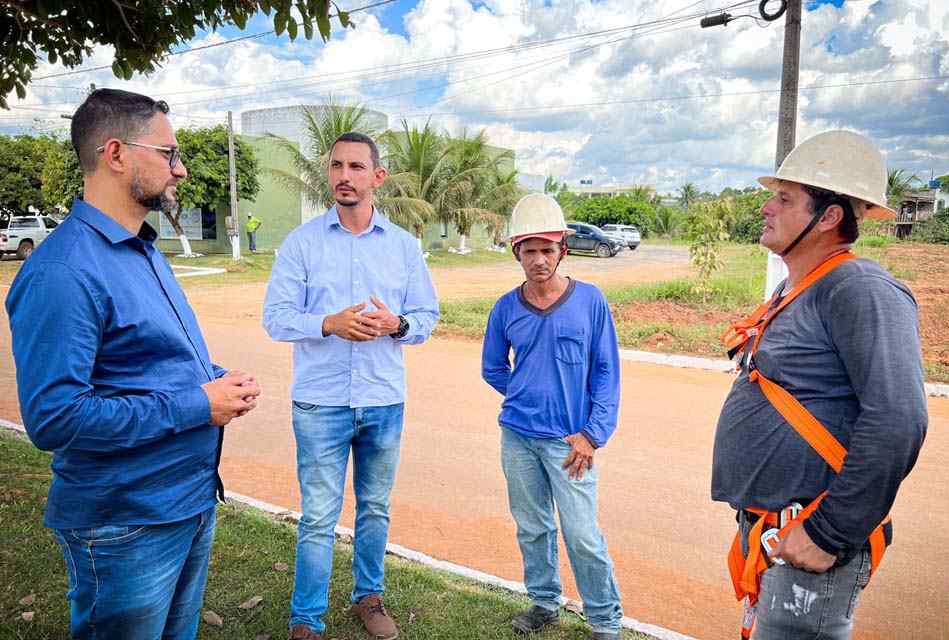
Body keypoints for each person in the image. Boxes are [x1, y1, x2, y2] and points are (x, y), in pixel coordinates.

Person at [5, 88, 261, 640]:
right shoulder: (64, 272)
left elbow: (145, 362)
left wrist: (213, 380)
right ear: (116, 154)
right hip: (125, 524)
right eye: (168, 153)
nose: (182, 169)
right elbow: (54, 419)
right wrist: (198, 403)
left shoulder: (142, 250)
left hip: (186, 503)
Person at [713, 130, 927, 640]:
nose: (766, 206)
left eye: (784, 199)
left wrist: (828, 531)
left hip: (809, 534)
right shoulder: (800, 285)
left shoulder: (860, 289)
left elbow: (899, 420)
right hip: (779, 532)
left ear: (829, 216)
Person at [262, 131, 439, 640]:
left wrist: (397, 325)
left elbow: (427, 317)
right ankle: (306, 619)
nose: (344, 175)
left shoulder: (405, 248)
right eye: (337, 165)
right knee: (318, 516)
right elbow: (275, 317)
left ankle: (369, 598)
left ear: (377, 177)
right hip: (321, 402)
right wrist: (327, 324)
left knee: (375, 507)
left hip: (383, 400)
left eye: (357, 167)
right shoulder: (302, 244)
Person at [481, 194, 624, 640]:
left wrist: (593, 435)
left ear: (562, 249)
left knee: (582, 535)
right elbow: (492, 368)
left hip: (571, 443)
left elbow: (606, 371)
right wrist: (525, 396)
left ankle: (605, 620)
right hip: (518, 438)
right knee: (533, 525)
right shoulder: (505, 308)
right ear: (517, 253)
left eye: (547, 249)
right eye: (530, 250)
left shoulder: (590, 302)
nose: (539, 259)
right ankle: (544, 602)